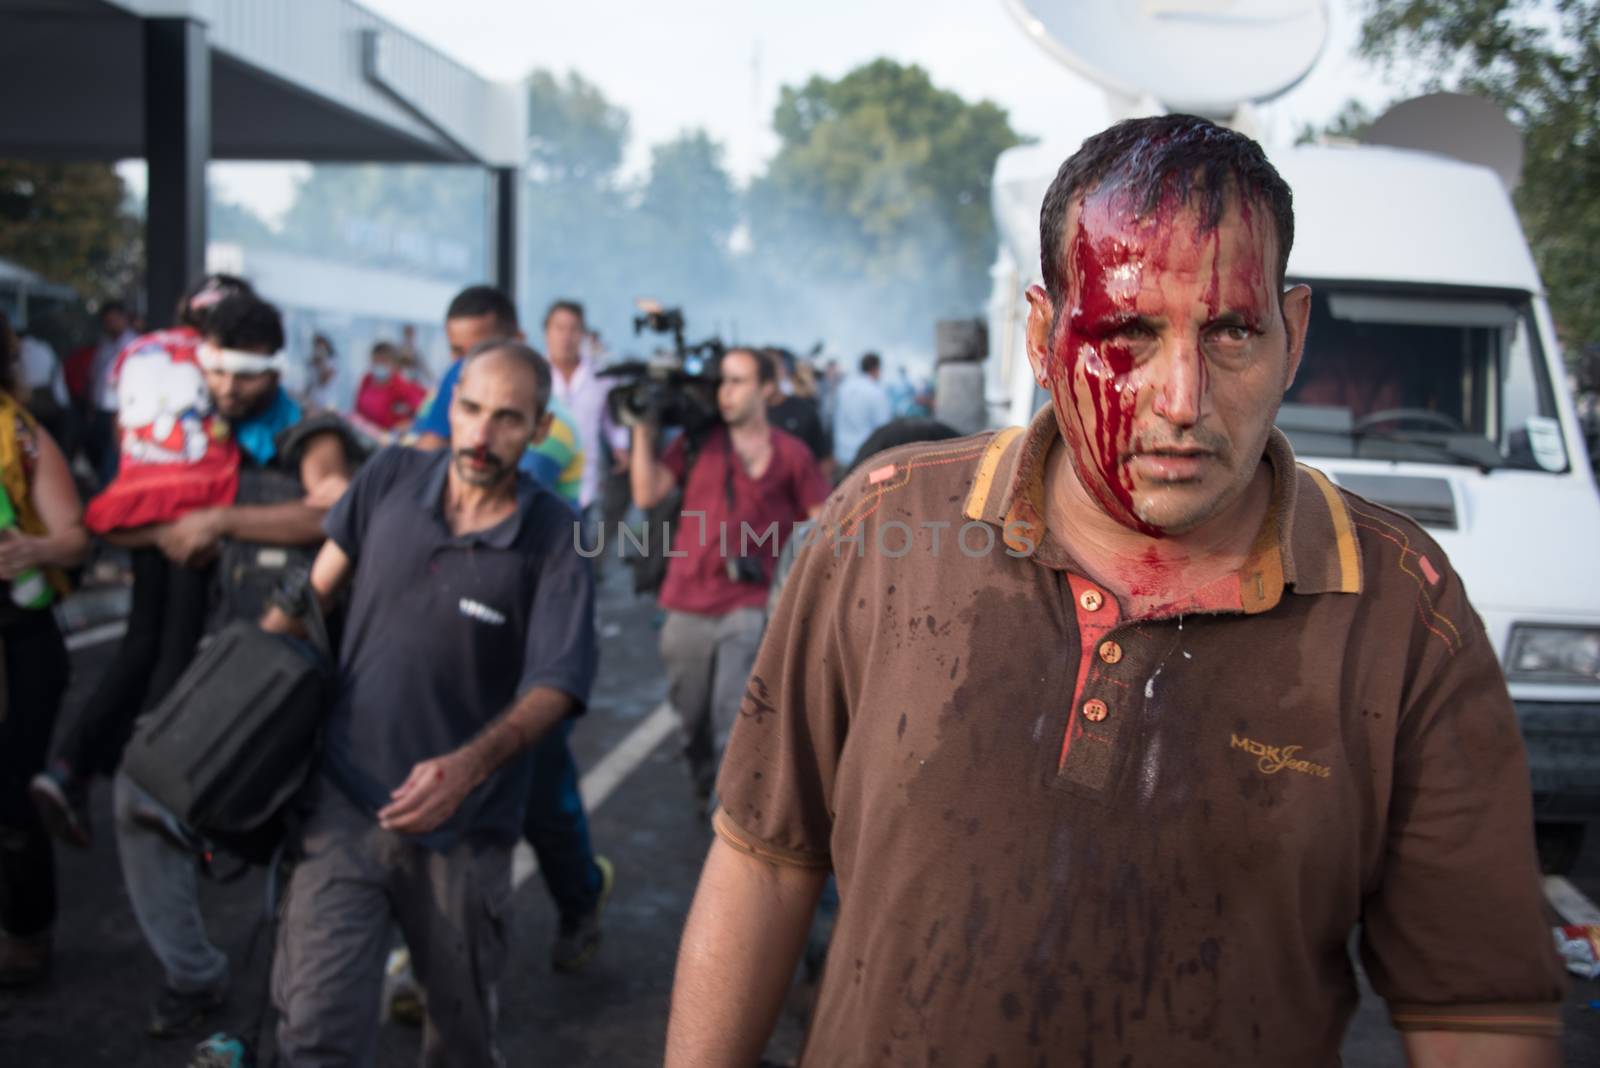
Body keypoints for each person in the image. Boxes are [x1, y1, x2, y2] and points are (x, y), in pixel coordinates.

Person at [665, 115, 1566, 1067]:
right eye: (1127, 332)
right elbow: (765, 858)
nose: (1180, 398)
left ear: (1291, 335)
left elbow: (1476, 1010)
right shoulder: (882, 530)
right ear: (1045, 337)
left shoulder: (1404, 613)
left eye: (1229, 332)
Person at [266, 341, 597, 1066]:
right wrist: (236, 701)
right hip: (342, 810)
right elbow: (309, 597)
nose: (481, 435)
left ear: (540, 430)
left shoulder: (557, 537)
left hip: (466, 837)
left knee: (460, 1041)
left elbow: (557, 684)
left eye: (508, 419)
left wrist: (468, 766)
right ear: (451, 405)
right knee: (312, 1033)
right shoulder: (387, 476)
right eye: (472, 410)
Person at [83, 291, 360, 1038]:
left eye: (243, 374)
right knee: (142, 797)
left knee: (305, 853)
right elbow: (133, 523)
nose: (229, 388)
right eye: (217, 372)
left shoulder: (306, 431)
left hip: (289, 672)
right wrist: (173, 524)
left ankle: (294, 1013)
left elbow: (333, 508)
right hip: (218, 667)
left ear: (272, 367)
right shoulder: (191, 434)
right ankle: (196, 974)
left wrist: (220, 518)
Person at [410, 283, 612, 974]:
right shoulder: (454, 395)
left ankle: (581, 900)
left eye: (479, 347)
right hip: (456, 606)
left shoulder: (546, 427)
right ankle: (428, 960)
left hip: (536, 613)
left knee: (540, 791)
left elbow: (482, 482)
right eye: (458, 355)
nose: (464, 365)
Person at [30, 275, 256, 852]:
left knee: (142, 641)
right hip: (195, 505)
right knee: (178, 648)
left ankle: (71, 767)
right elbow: (233, 423)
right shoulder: (219, 356)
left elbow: (117, 430)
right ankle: (157, 786)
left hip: (133, 504)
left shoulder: (138, 348)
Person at [630, 347, 829, 807]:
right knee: (692, 716)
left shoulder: (792, 454)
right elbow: (646, 492)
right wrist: (642, 427)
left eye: (738, 381)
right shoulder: (697, 444)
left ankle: (730, 818)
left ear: (766, 389)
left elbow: (823, 520)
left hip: (750, 604)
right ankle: (703, 777)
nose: (726, 392)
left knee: (734, 716)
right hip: (685, 601)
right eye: (723, 382)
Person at [0, 338, 88, 987]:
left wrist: (33, 549)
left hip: (18, 644)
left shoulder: (21, 434)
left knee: (10, 794)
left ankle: (26, 935)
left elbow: (75, 540)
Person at [413, 285, 586, 506]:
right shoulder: (439, 399)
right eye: (458, 351)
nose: (469, 365)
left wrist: (437, 435)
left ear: (518, 340)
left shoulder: (554, 426)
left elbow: (488, 504)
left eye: (483, 352)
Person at [544, 299, 627, 536]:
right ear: (547, 332)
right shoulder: (533, 372)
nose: (566, 337)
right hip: (544, 473)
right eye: (559, 328)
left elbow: (611, 418)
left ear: (583, 334)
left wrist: (620, 446)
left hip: (585, 482)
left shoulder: (600, 376)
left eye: (573, 329)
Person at [84, 301, 138, 485]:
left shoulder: (134, 345)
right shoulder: (105, 345)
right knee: (99, 456)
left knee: (113, 459)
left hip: (121, 412)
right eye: (107, 321)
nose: (110, 324)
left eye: (114, 320)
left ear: (124, 318)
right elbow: (95, 377)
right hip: (101, 410)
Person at [763, 347, 833, 480]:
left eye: (772, 367)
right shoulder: (745, 415)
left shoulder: (805, 410)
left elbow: (824, 460)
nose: (767, 375)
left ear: (782, 371)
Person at [830, 351, 893, 469]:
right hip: (866, 459)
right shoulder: (877, 392)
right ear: (876, 369)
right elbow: (884, 429)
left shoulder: (843, 388)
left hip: (842, 455)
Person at [353, 340, 426, 433]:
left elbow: (424, 412)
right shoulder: (367, 380)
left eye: (383, 361)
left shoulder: (402, 387)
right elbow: (356, 409)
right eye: (376, 361)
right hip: (364, 434)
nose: (379, 365)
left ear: (394, 364)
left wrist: (404, 426)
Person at [304, 332, 340, 412]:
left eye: (321, 346)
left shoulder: (333, 361)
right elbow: (309, 383)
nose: (318, 349)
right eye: (316, 346)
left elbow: (324, 380)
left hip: (327, 404)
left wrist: (322, 363)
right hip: (312, 402)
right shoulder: (312, 362)